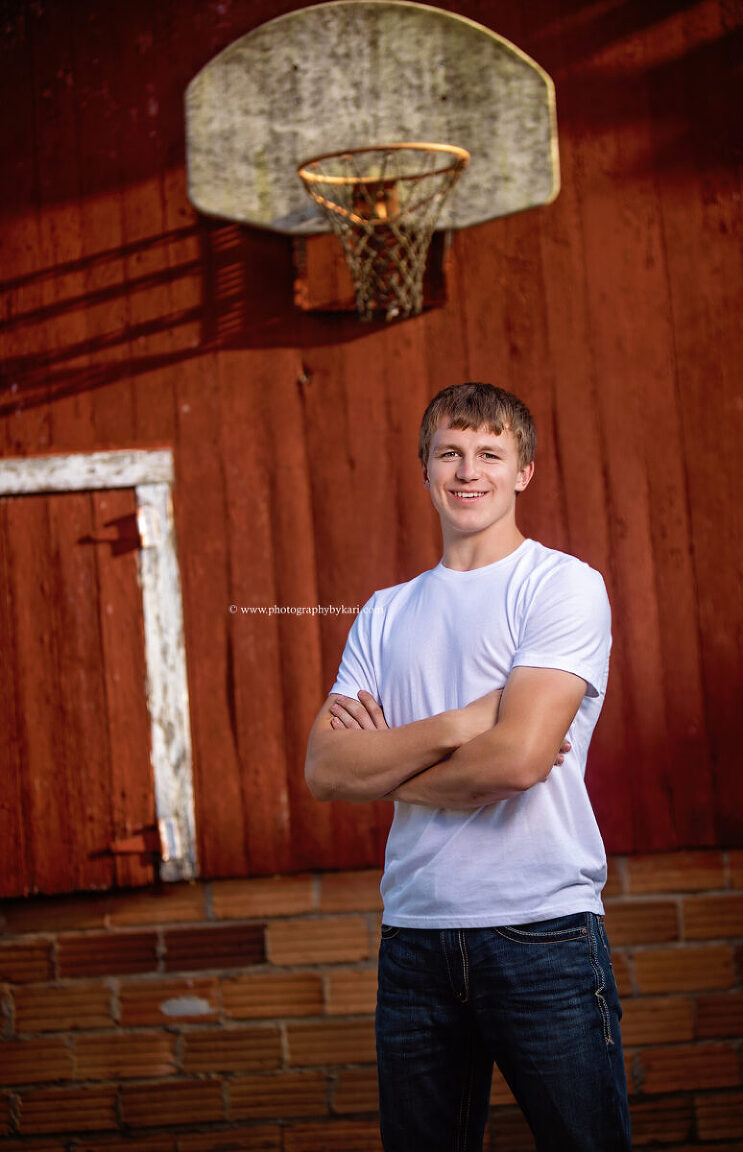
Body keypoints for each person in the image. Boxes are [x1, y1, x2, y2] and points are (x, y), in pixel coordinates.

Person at [305, 382, 631, 1152]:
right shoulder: (385, 612)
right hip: (414, 938)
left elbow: (518, 762)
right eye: (449, 452)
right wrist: (463, 722)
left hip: (541, 930)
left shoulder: (561, 586)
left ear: (523, 472)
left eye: (490, 453)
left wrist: (388, 771)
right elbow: (325, 768)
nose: (467, 471)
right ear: (424, 469)